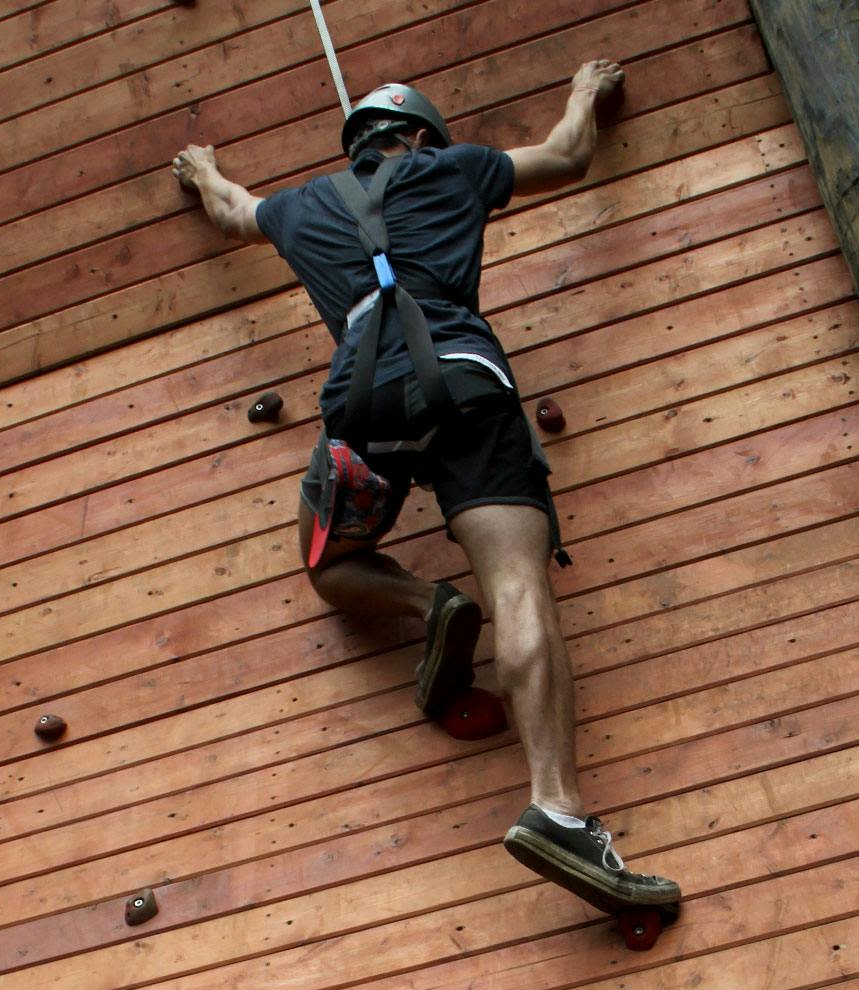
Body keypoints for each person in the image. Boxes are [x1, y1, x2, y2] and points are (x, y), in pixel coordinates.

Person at [173, 60, 680, 918]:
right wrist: (584, 89)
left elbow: (230, 213)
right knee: (518, 586)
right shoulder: (459, 167)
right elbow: (567, 157)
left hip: (364, 405)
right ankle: (557, 808)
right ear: (417, 139)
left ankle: (425, 604)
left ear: (357, 145)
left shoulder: (301, 207)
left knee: (330, 564)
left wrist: (202, 170)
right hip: (467, 386)